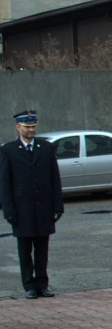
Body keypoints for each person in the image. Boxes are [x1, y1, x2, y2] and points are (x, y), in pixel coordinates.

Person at [0, 110, 63, 299]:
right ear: (18, 127)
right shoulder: (8, 151)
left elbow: (55, 179)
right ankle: (29, 285)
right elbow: (4, 183)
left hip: (43, 208)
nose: (31, 130)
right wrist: (9, 210)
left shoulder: (46, 148)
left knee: (42, 250)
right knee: (25, 250)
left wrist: (57, 205)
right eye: (27, 127)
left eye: (33, 126)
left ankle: (42, 284)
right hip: (22, 210)